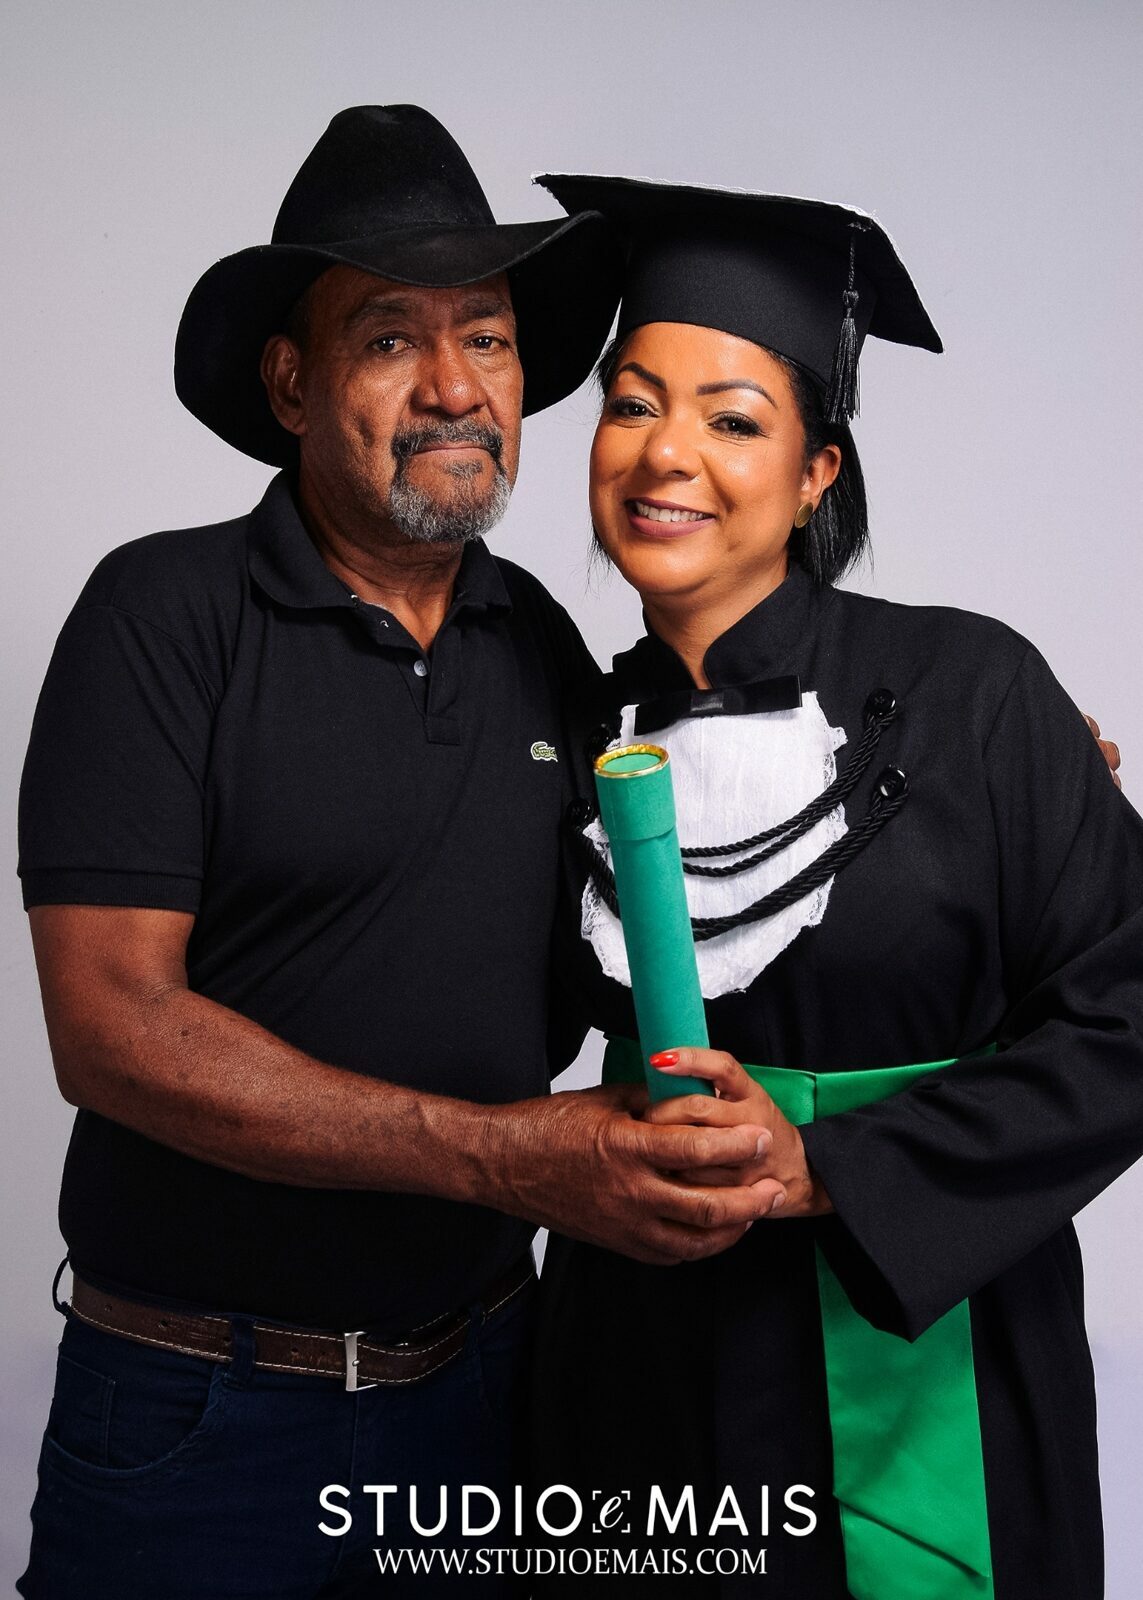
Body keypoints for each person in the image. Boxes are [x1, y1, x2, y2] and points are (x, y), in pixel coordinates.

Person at [14, 111, 785, 1600]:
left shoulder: (545, 648)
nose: (453, 386)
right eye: (389, 340)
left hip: (487, 1392)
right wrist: (500, 1154)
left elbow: (700, 866)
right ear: (292, 384)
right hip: (204, 1415)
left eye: (485, 338)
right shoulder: (160, 618)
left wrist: (978, 764)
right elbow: (110, 1032)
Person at [529, 173, 1143, 1600]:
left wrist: (824, 1167)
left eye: (734, 420)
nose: (666, 453)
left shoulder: (973, 690)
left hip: (925, 1364)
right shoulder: (562, 729)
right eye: (633, 404)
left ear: (818, 473)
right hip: (634, 1374)